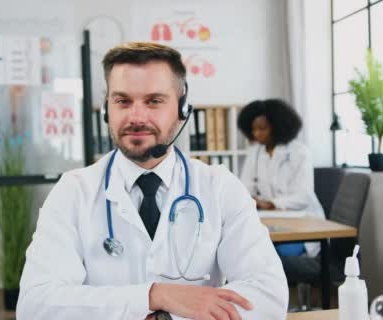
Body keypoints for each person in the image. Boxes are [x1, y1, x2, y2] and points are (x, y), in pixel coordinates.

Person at [17, 42, 288, 320]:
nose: (136, 117)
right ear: (106, 109)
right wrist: (155, 295)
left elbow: (268, 295)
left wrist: (166, 318)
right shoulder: (73, 191)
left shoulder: (219, 187)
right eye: (122, 101)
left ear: (182, 108)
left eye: (154, 101)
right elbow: (35, 305)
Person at [237, 99, 325, 258]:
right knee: (250, 252)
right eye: (254, 129)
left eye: (262, 128)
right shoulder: (255, 153)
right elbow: (245, 188)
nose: (257, 134)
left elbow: (303, 197)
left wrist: (271, 203)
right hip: (270, 222)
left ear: (277, 126)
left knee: (277, 255)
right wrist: (249, 199)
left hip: (303, 222)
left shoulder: (300, 153)